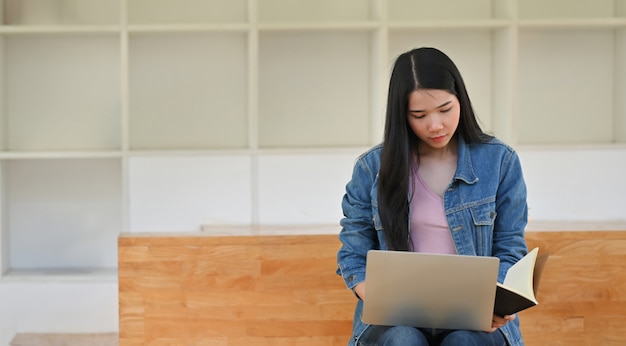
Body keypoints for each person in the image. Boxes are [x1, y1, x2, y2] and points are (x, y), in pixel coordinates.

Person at [336, 47, 529, 346]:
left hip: (475, 317)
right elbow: (353, 253)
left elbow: (510, 247)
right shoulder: (371, 167)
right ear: (402, 116)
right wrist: (380, 299)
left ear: (460, 100)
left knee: (465, 341)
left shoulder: (500, 161)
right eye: (419, 115)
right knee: (403, 339)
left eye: (445, 109)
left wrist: (496, 301)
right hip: (395, 319)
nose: (435, 125)